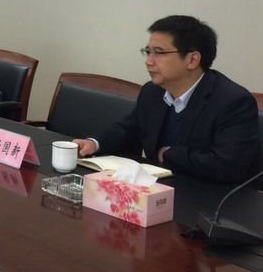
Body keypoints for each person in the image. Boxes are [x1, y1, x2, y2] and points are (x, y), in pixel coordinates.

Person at [72, 15, 259, 184]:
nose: (148, 61)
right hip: (158, 190)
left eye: (159, 53)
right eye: (148, 51)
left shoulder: (233, 102)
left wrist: (169, 154)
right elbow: (130, 129)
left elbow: (225, 166)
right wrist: (94, 143)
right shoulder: (152, 92)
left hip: (209, 198)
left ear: (192, 60)